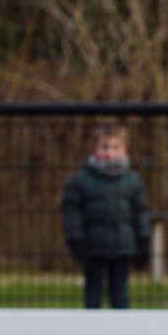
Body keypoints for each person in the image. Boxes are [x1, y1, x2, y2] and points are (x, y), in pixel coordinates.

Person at [59, 124, 150, 310]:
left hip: (122, 246)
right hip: (93, 246)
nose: (110, 153)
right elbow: (71, 212)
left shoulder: (132, 180)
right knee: (93, 292)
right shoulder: (80, 180)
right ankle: (91, 334)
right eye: (105, 147)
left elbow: (140, 212)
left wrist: (143, 239)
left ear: (124, 149)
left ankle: (121, 333)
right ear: (93, 148)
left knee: (120, 294)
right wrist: (75, 238)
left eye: (115, 147)